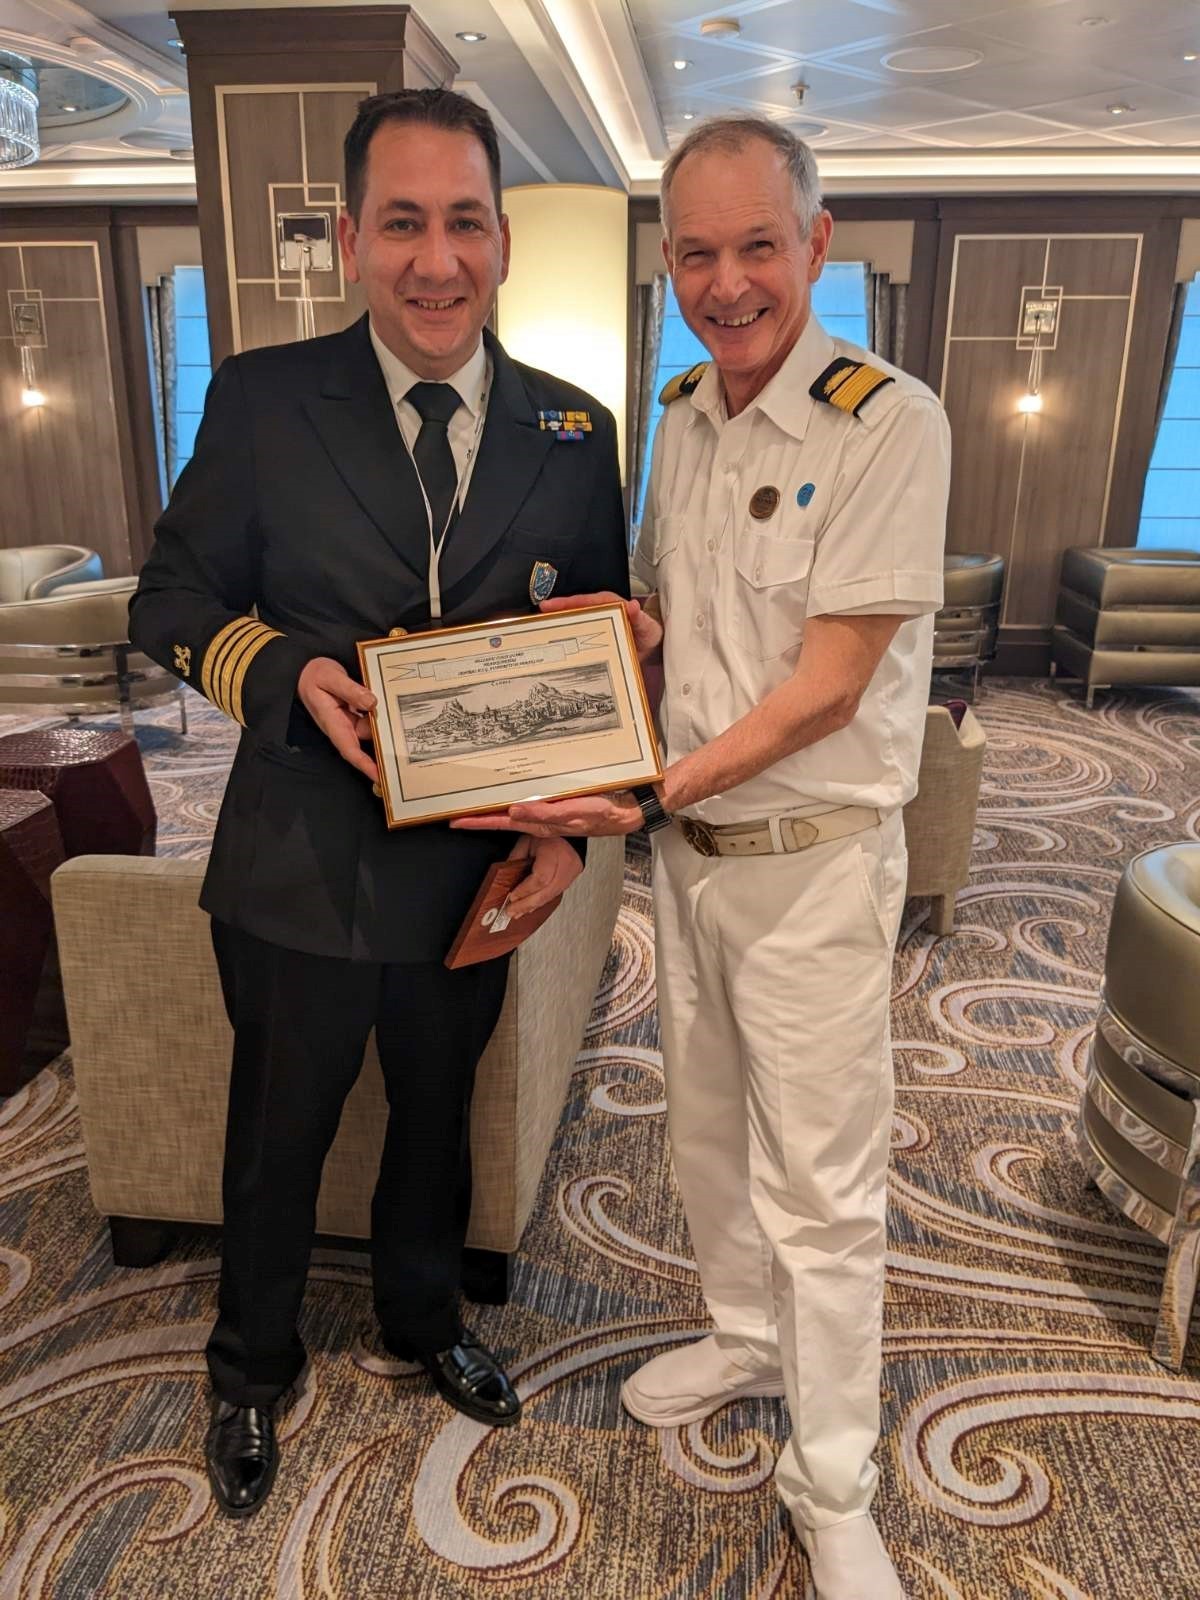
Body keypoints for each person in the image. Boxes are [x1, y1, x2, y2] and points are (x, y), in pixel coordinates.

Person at [453, 116, 950, 1598]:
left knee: (825, 1185)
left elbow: (831, 686)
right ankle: (745, 1338)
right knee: (710, 1139)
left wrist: (648, 789)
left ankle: (836, 1477)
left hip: (813, 862)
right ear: (666, 261)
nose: (726, 285)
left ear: (818, 242)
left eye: (758, 248)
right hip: (697, 867)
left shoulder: (887, 423)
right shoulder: (680, 414)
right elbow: (680, 626)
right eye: (696, 254)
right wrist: (603, 655)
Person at [129, 86, 629, 1518]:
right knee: (278, 1129)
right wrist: (286, 670)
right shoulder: (264, 398)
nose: (436, 259)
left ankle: (425, 1318)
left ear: (503, 240)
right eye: (402, 223)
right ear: (351, 240)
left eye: (464, 221)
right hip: (298, 858)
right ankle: (251, 1362)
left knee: (434, 1112)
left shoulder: (575, 428)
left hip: (471, 870)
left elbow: (597, 651)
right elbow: (170, 600)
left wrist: (556, 833)